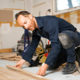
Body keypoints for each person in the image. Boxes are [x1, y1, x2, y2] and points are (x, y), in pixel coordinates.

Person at [14, 11, 80, 76]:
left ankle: (71, 63)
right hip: (62, 44)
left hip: (75, 37)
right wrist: (22, 61)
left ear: (30, 16)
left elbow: (55, 45)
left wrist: (45, 65)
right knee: (52, 65)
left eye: (25, 22)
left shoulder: (49, 22)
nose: (26, 27)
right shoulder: (36, 30)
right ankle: (72, 54)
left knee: (63, 37)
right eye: (23, 26)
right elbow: (33, 45)